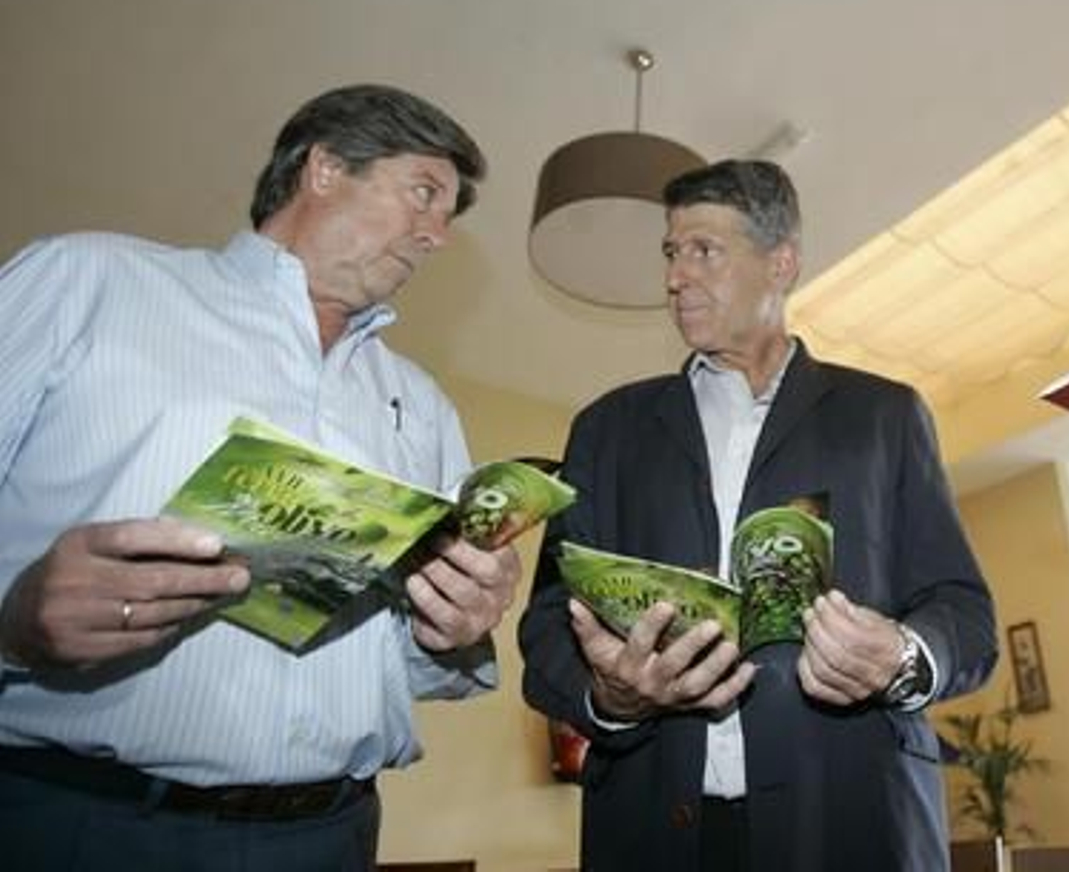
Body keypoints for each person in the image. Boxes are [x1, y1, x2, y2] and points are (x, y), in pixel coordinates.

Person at [0, 84, 525, 871]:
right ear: (324, 168)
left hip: (333, 834)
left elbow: (408, 665)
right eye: (424, 193)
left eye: (449, 215)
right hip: (82, 823)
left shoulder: (422, 406)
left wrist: (451, 626)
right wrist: (11, 621)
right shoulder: (88, 280)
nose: (437, 234)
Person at [519, 159, 997, 872]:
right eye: (670, 253)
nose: (675, 276)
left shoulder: (885, 416)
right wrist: (611, 694)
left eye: (704, 250)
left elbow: (964, 612)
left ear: (781, 263)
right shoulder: (606, 429)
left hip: (853, 823)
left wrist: (902, 655)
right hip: (651, 831)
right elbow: (549, 620)